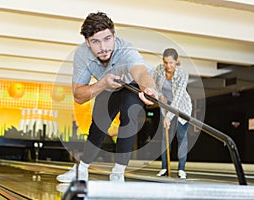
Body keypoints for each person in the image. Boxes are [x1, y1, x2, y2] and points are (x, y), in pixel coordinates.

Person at [56, 12, 157, 183]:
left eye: (107, 39)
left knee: (129, 113)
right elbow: (79, 96)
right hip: (107, 84)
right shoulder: (82, 55)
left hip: (132, 84)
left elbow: (140, 72)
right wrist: (103, 83)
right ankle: (81, 170)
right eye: (96, 41)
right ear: (87, 42)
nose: (103, 47)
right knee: (98, 125)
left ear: (114, 36)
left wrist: (149, 89)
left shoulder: (126, 49)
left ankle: (118, 172)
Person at [153, 48, 192, 179]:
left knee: (181, 138)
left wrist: (168, 117)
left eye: (171, 63)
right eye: (165, 62)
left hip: (181, 107)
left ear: (176, 62)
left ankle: (182, 169)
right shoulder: (159, 70)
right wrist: (160, 96)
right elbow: (154, 87)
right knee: (165, 139)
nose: (168, 66)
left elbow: (177, 98)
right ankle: (164, 167)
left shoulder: (183, 74)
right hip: (165, 105)